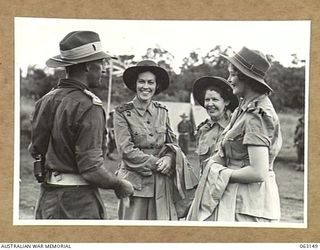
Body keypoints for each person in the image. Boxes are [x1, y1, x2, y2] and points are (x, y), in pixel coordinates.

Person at [28, 31, 134, 219]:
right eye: (100, 62)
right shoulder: (89, 106)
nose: (103, 68)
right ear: (87, 66)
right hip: (78, 204)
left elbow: (35, 149)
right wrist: (119, 185)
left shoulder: (45, 100)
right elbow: (91, 169)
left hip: (47, 199)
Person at [187, 47, 282, 222]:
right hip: (233, 199)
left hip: (249, 206)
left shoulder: (257, 115)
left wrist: (218, 171)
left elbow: (258, 172)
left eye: (233, 74)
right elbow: (225, 150)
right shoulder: (242, 110)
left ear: (247, 77)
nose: (229, 80)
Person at [114, 60, 199, 220]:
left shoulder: (163, 112)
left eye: (150, 82)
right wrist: (158, 163)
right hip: (134, 185)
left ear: (156, 86)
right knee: (133, 236)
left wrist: (170, 158)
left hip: (161, 186)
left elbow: (173, 144)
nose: (146, 87)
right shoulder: (122, 113)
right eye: (141, 82)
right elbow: (126, 150)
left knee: (160, 235)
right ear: (135, 84)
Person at [192, 76, 238, 174]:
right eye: (207, 100)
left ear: (226, 102)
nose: (210, 104)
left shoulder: (236, 126)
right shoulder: (203, 129)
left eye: (215, 100)